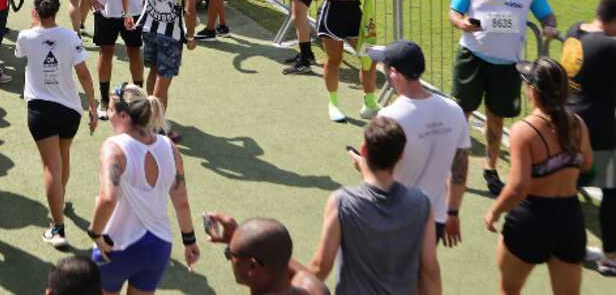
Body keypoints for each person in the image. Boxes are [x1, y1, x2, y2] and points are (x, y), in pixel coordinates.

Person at [449, 0, 558, 196]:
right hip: (472, 57)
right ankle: (451, 161)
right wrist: (460, 22)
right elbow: (454, 11)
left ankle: (490, 168)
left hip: (507, 64)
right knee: (460, 114)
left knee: (496, 120)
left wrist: (550, 26)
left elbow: (546, 13)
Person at [483, 58, 592, 293]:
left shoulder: (524, 131)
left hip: (531, 220)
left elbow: (518, 186)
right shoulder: (579, 125)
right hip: (570, 219)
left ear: (532, 90)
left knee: (509, 290)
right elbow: (587, 165)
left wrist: (494, 212)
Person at [87, 83, 200, 293]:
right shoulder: (170, 146)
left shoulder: (113, 148)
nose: (108, 115)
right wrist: (189, 240)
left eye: (110, 110)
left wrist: (95, 233)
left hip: (115, 248)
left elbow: (107, 199)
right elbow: (181, 201)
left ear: (123, 115)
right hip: (158, 247)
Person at [310, 116, 441, 294]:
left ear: (364, 150)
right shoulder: (421, 203)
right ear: (401, 155)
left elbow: (321, 266)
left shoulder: (342, 201)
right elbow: (429, 270)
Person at [17, 0, 99, 249]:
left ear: (36, 10)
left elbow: (24, 50)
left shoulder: (25, 37)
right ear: (58, 9)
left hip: (40, 111)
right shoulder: (70, 37)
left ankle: (58, 227)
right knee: (63, 157)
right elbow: (85, 76)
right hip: (70, 111)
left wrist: (34, 25)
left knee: (51, 166)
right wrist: (94, 108)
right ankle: (59, 201)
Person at [371, 40, 471, 247]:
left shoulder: (388, 117)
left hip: (395, 219)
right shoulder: (454, 110)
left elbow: (378, 173)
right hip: (435, 220)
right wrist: (453, 212)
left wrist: (360, 163)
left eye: (385, 66)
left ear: (394, 74)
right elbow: (460, 168)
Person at [121, 0, 201, 141]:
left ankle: (147, 118)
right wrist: (191, 36)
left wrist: (127, 13)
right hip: (171, 34)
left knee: (154, 72)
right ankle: (154, 127)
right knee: (163, 82)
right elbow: (189, 10)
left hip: (147, 27)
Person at [564, 0, 616, 274]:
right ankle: (610, 256)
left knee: (569, 186)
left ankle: (572, 245)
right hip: (598, 131)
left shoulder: (575, 30)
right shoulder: (609, 46)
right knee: (612, 191)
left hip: (569, 123)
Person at [310, 0, 378, 123]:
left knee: (369, 58)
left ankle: (370, 104)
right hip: (333, 15)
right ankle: (334, 104)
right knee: (335, 60)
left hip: (354, 13)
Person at [202, 214, 330, 295]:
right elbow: (278, 254)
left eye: (230, 254)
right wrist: (240, 236)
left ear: (252, 267)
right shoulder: (315, 288)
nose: (230, 259)